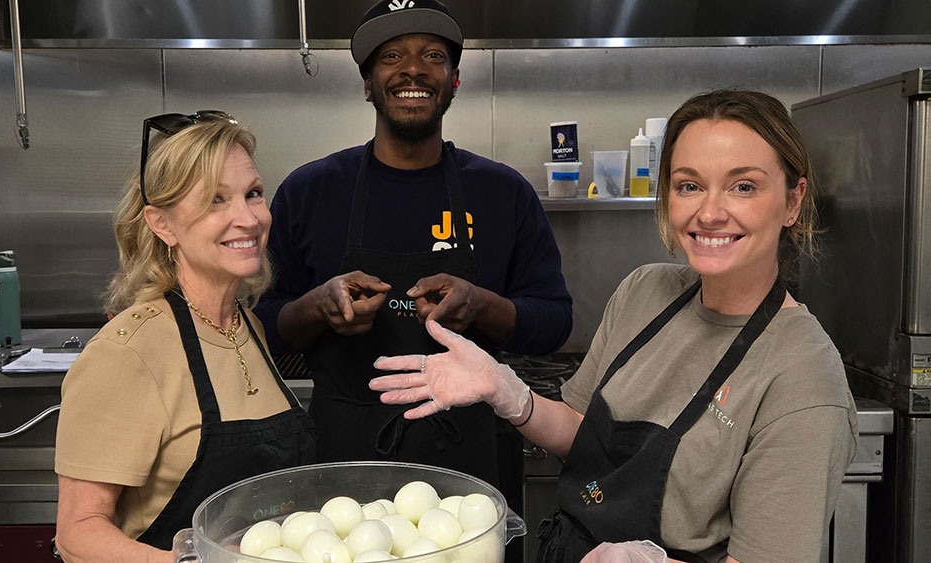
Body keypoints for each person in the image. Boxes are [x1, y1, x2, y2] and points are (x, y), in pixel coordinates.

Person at [370, 89, 859, 563]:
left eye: (743, 186)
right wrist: (509, 393)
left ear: (793, 201)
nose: (710, 212)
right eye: (689, 184)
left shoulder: (801, 373)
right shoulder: (644, 292)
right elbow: (580, 433)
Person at [254, 0, 572, 492]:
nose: (413, 69)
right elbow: (259, 331)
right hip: (344, 455)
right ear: (366, 84)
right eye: (391, 56)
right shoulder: (309, 192)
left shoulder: (503, 193)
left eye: (433, 56)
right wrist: (318, 307)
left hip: (471, 454)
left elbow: (554, 323)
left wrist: (482, 305)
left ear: (454, 81)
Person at [54, 112, 316, 562]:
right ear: (163, 224)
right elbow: (77, 533)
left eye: (253, 194)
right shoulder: (128, 351)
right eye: (215, 200)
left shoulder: (246, 327)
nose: (248, 218)